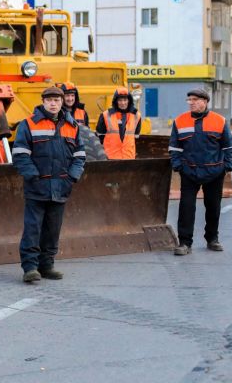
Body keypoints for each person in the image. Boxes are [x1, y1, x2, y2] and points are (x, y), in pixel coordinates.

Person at [12, 86, 86, 283]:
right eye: (50, 100)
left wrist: (72, 177)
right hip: (37, 187)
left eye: (57, 100)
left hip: (61, 187)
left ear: (62, 102)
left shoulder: (73, 126)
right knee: (33, 228)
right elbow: (20, 154)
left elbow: (80, 155)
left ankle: (47, 265)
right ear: (43, 102)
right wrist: (33, 176)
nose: (53, 103)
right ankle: (30, 268)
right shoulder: (28, 124)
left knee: (53, 229)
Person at [169, 88, 232, 255]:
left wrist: (226, 166)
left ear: (205, 102)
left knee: (213, 207)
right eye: (189, 99)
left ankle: (212, 239)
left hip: (214, 172)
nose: (191, 102)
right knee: (186, 207)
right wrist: (178, 166)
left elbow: (229, 146)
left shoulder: (219, 121)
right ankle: (184, 243)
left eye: (194, 100)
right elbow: (174, 147)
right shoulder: (180, 121)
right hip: (189, 172)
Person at [95, 87, 142, 159]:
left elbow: (136, 137)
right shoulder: (105, 115)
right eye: (120, 100)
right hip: (109, 158)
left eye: (125, 100)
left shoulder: (136, 115)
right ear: (115, 101)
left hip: (129, 158)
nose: (123, 103)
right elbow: (99, 137)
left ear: (129, 101)